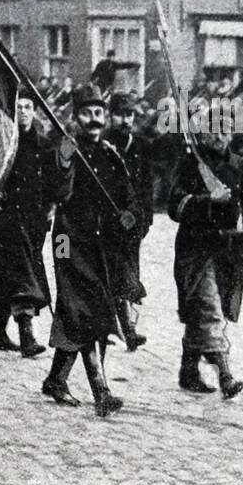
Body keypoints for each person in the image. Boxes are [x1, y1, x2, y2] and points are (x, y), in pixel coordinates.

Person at [41, 84, 138, 418]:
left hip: (99, 245)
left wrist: (128, 216)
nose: (94, 120)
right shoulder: (64, 150)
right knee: (81, 308)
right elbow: (56, 193)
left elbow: (128, 199)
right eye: (87, 113)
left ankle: (56, 379)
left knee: (79, 311)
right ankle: (101, 391)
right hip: (66, 241)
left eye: (99, 113)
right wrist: (65, 163)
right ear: (75, 117)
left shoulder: (111, 155)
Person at [168, 130, 243, 398]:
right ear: (203, 134)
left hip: (226, 249)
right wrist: (207, 200)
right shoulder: (189, 164)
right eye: (213, 130)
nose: (219, 136)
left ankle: (188, 372)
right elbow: (174, 207)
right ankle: (226, 376)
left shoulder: (240, 166)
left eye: (224, 129)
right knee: (209, 309)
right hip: (195, 249)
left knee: (208, 308)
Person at [0, 89, 55, 357]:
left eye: (29, 106)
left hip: (34, 219)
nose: (24, 111)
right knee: (21, 272)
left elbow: (52, 182)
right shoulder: (2, 143)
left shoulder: (43, 145)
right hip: (6, 218)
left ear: (35, 111)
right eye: (19, 106)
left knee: (12, 271)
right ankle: (26, 335)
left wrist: (51, 207)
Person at [102, 93, 151, 350]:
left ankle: (125, 328)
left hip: (133, 223)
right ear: (110, 116)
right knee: (115, 275)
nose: (125, 120)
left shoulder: (140, 145)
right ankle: (124, 329)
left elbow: (146, 186)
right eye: (120, 114)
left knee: (128, 274)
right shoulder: (102, 143)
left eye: (130, 115)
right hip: (108, 222)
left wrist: (146, 221)